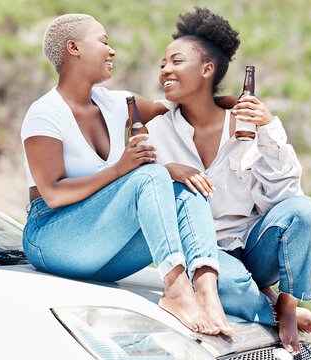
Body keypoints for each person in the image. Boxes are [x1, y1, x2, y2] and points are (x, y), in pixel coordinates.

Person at [20, 13, 234, 337]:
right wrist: (124, 169)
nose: (112, 51)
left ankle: (206, 289)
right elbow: (53, 193)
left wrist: (235, 105)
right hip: (51, 239)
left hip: (101, 250)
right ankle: (175, 289)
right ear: (74, 48)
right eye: (103, 42)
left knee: (186, 189)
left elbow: (182, 106)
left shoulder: (117, 103)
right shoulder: (45, 113)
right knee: (151, 176)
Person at [146, 7, 311, 355]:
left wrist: (270, 128)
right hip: (206, 255)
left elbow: (287, 197)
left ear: (207, 70)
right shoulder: (157, 128)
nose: (165, 70)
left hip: (253, 246)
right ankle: (270, 310)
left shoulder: (247, 124)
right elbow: (142, 185)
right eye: (162, 64)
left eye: (175, 61)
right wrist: (168, 171)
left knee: (309, 212)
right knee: (224, 285)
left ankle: (287, 302)